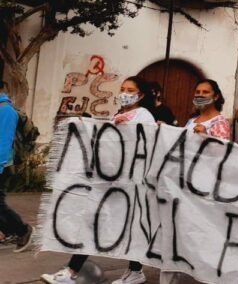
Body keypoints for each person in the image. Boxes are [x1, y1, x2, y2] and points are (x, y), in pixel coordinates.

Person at [40, 77, 158, 284]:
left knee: (128, 228)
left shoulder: (144, 115)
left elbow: (146, 143)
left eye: (130, 90)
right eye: (122, 89)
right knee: (94, 222)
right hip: (109, 182)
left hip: (129, 185)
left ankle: (134, 271)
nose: (124, 92)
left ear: (141, 95)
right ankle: (72, 272)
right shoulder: (118, 114)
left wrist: (127, 127)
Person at [0, 80, 32, 254]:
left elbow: (3, 144)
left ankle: (22, 231)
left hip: (2, 166)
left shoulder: (6, 110)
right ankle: (8, 232)